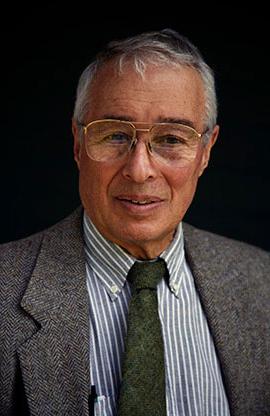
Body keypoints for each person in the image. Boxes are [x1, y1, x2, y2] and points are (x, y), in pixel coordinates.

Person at [0, 28, 269, 416]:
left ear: (206, 151)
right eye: (113, 135)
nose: (140, 170)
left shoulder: (263, 284)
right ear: (78, 145)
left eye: (172, 140)